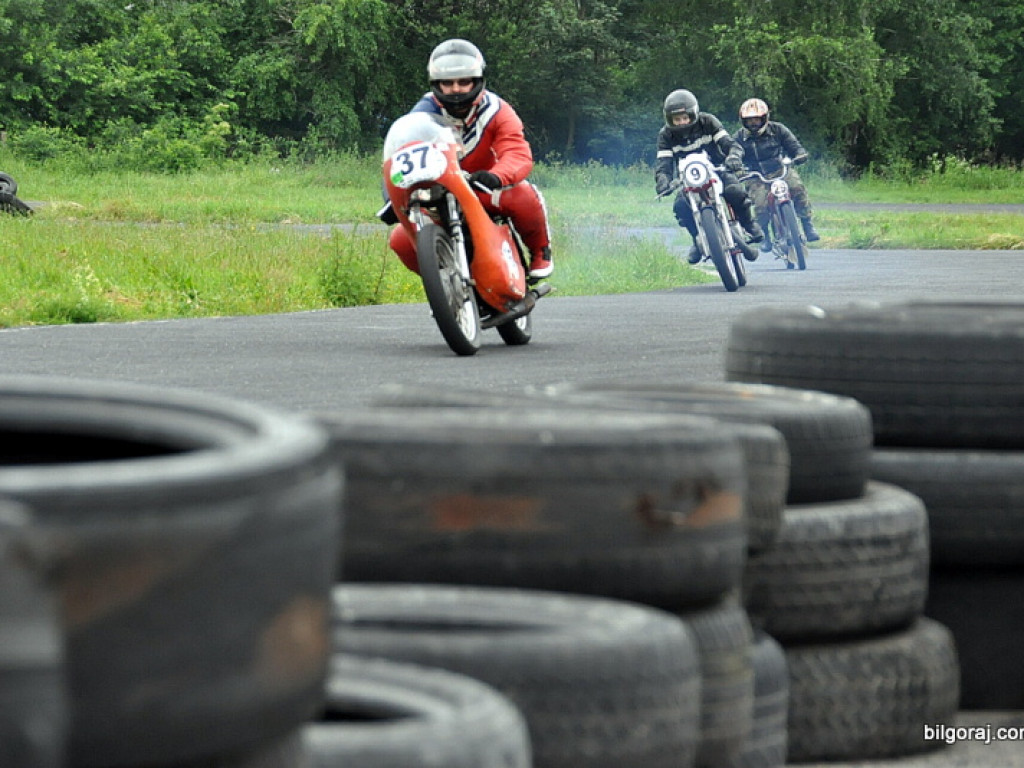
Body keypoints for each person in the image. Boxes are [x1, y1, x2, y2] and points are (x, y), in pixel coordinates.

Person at [381, 39, 553, 279]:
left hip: (482, 188)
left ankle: (540, 252)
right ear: (435, 84)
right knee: (400, 239)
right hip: (441, 196)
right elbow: (400, 156)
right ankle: (447, 285)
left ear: (478, 80)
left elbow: (517, 152)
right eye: (447, 83)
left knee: (523, 195)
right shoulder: (421, 114)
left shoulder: (497, 111)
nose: (456, 89)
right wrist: (393, 197)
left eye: (464, 82)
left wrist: (496, 176)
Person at [655, 89, 763, 265]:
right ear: (670, 119)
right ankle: (697, 240)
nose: (681, 122)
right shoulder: (665, 135)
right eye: (677, 119)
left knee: (735, 191)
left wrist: (733, 157)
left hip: (718, 169)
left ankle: (748, 224)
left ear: (693, 114)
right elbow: (663, 163)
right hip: (688, 179)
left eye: (685, 117)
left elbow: (730, 143)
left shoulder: (708, 121)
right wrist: (663, 182)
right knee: (681, 207)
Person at [734, 98, 819, 252]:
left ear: (764, 118)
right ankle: (765, 236)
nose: (753, 123)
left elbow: (794, 146)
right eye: (750, 120)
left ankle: (807, 224)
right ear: (743, 121)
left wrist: (799, 155)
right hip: (755, 176)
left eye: (757, 119)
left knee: (797, 188)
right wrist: (738, 169)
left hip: (780, 170)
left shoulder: (778, 129)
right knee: (760, 205)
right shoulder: (738, 138)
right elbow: (733, 156)